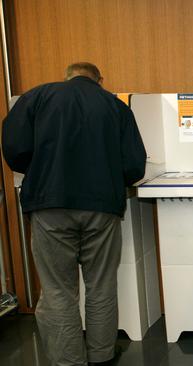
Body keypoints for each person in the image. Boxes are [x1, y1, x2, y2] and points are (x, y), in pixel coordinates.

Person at [2, 62, 147, 366]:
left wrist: (41, 169)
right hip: (102, 208)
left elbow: (14, 149)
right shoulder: (115, 106)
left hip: (49, 205)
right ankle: (102, 355)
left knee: (58, 289)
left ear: (66, 77)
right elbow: (134, 165)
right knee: (102, 284)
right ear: (100, 80)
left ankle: (68, 361)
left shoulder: (37, 98)